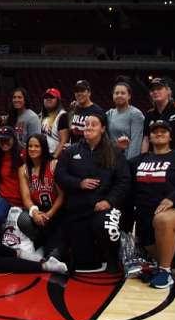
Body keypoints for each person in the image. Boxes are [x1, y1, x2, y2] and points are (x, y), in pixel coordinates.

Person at [55, 113, 130, 273]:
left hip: (103, 207)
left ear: (103, 128)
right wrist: (79, 183)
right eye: (86, 124)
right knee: (84, 264)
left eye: (93, 124)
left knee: (105, 227)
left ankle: (113, 255)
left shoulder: (114, 152)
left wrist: (109, 201)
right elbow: (59, 175)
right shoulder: (71, 151)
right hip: (77, 208)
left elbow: (123, 181)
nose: (88, 127)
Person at [129, 120, 175, 288]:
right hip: (144, 217)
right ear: (149, 137)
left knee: (162, 220)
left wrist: (172, 198)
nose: (158, 134)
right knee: (152, 232)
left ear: (170, 136)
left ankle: (165, 273)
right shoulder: (138, 160)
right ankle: (160, 264)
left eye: (163, 131)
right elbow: (122, 179)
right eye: (154, 131)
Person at [18, 134, 64, 258]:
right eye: (30, 146)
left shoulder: (54, 164)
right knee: (23, 219)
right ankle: (40, 241)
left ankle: (53, 244)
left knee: (53, 256)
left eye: (37, 146)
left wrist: (49, 214)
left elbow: (62, 196)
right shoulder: (24, 169)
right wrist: (34, 212)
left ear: (43, 148)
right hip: (39, 212)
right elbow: (26, 198)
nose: (32, 149)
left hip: (57, 212)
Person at [141, 77, 175, 158]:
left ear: (168, 91)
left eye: (159, 88)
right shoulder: (149, 114)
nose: (155, 91)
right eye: (152, 90)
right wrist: (143, 159)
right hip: (155, 159)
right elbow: (146, 140)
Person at [0, 126, 25, 229]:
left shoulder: (24, 155)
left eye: (7, 140)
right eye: (1, 140)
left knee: (24, 222)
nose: (4, 143)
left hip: (24, 199)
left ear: (14, 139)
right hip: (5, 198)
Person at [106, 81, 144, 160]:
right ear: (113, 95)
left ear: (129, 96)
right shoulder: (109, 113)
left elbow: (136, 142)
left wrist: (130, 163)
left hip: (127, 160)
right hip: (111, 159)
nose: (119, 95)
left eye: (123, 93)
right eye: (116, 93)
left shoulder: (136, 114)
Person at [69, 80, 106, 144]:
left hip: (90, 150)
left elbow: (102, 135)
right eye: (77, 91)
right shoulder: (74, 108)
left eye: (82, 90)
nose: (79, 93)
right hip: (74, 150)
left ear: (89, 93)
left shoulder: (97, 111)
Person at [39, 88, 69, 158]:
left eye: (52, 97)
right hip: (43, 154)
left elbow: (64, 140)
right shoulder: (41, 116)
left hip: (54, 155)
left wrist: (54, 157)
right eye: (46, 97)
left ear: (58, 100)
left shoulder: (62, 116)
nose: (48, 99)